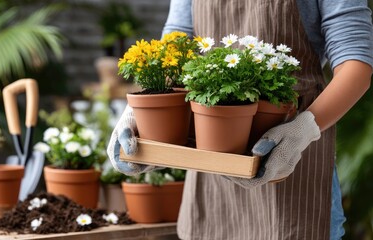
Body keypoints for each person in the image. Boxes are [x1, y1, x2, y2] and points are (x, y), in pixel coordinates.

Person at [107, 0, 373, 239]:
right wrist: (138, 114)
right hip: (211, 179)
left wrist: (303, 129)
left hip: (294, 171)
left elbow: (355, 63)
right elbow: (175, 48)